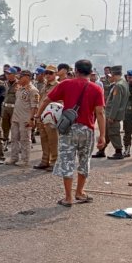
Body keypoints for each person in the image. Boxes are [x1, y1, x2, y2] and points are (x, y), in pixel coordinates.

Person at [36, 59, 105, 207]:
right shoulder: (97, 89)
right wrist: (103, 136)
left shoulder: (66, 84)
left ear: (76, 70)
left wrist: (38, 116)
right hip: (87, 130)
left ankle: (68, 198)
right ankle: (80, 192)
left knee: (67, 161)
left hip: (68, 129)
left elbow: (47, 100)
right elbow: (100, 113)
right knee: (84, 161)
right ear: (90, 71)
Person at [5, 70, 40, 166]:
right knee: (14, 138)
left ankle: (25, 160)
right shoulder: (19, 88)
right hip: (16, 117)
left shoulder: (33, 90)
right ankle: (14, 157)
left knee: (25, 139)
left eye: (20, 77)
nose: (18, 78)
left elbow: (35, 106)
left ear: (27, 77)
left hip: (25, 118)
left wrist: (31, 119)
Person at [34, 64, 59, 170]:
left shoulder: (58, 85)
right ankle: (45, 161)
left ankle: (54, 162)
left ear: (55, 74)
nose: (48, 75)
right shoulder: (45, 85)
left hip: (51, 117)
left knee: (53, 140)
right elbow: (41, 100)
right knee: (44, 139)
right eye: (46, 73)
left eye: (50, 73)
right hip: (42, 115)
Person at [102, 65, 130, 160]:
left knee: (113, 133)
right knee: (107, 133)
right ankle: (101, 150)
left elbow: (115, 103)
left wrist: (111, 116)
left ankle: (118, 152)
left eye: (110, 76)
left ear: (114, 75)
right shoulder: (124, 83)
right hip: (115, 113)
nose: (109, 78)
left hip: (114, 114)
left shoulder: (118, 86)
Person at [1, 67, 18, 150]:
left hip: (15, 108)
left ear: (14, 75)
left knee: (15, 127)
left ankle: (16, 145)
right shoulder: (4, 84)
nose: (7, 75)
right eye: (6, 74)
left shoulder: (19, 84)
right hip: (5, 108)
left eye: (9, 74)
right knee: (5, 126)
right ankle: (5, 142)